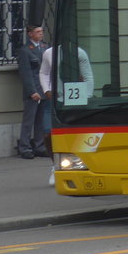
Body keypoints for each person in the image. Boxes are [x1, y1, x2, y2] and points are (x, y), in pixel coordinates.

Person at [39, 44, 94, 187]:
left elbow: (88, 76)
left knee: (75, 135)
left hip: (75, 100)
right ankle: (55, 165)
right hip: (55, 100)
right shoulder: (49, 53)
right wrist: (46, 90)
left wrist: (86, 98)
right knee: (48, 134)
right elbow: (44, 73)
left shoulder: (80, 53)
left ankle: (77, 165)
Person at [16, 25, 49, 159]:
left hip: (43, 89)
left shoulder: (44, 48)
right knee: (28, 121)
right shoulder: (25, 51)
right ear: (30, 34)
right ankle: (24, 147)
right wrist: (32, 91)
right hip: (33, 91)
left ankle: (39, 146)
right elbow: (26, 73)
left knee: (40, 120)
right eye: (37, 32)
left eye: (41, 31)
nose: (40, 34)